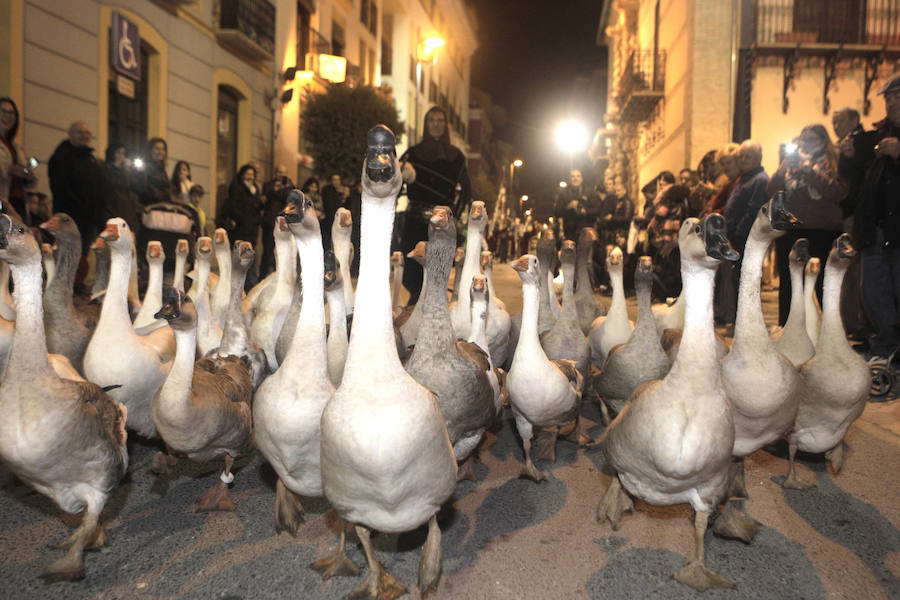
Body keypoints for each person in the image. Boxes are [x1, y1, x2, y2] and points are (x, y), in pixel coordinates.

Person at [768, 124, 847, 326]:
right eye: (802, 140)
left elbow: (837, 192)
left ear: (822, 141)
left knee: (822, 284)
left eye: (810, 140)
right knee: (790, 283)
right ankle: (787, 329)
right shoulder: (791, 165)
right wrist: (782, 170)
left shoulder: (832, 162)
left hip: (822, 231)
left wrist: (809, 170)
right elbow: (772, 192)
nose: (805, 144)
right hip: (792, 230)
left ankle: (831, 330)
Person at [846, 74, 900, 360]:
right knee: (874, 294)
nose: (891, 102)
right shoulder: (878, 135)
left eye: (898, 96)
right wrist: (849, 156)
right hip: (876, 231)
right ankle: (887, 348)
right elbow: (854, 182)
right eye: (888, 98)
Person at [398, 106, 471, 304]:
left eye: (440, 120)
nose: (436, 124)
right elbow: (395, 180)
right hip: (414, 224)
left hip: (441, 227)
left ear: (445, 125)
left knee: (438, 274)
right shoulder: (412, 153)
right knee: (412, 272)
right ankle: (414, 310)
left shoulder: (456, 157)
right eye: (432, 120)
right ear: (426, 124)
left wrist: (453, 216)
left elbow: (467, 192)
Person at [718, 140, 769, 325]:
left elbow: (754, 210)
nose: (743, 159)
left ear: (758, 158)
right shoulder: (745, 178)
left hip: (746, 239)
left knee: (746, 281)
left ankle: (748, 322)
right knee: (736, 280)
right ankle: (740, 320)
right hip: (735, 237)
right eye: (741, 156)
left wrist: (738, 234)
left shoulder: (760, 179)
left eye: (748, 156)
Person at [49, 120, 103, 289]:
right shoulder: (61, 157)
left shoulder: (90, 159)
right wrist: (81, 209)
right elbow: (61, 188)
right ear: (70, 134)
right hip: (70, 216)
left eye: (87, 133)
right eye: (80, 132)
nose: (84, 136)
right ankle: (65, 288)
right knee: (67, 255)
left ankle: (76, 286)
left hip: (88, 218)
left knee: (82, 255)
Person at [0, 97, 36, 222]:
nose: (8, 116)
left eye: (12, 113)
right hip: (3, 203)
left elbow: (24, 171)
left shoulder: (16, 145)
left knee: (20, 238)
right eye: (3, 111)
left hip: (18, 201)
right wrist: (8, 169)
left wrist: (28, 176)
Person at [101, 142, 141, 232]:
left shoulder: (127, 171)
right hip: (112, 208)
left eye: (123, 153)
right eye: (118, 153)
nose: (121, 156)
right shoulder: (106, 169)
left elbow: (135, 186)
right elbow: (114, 184)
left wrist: (136, 172)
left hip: (127, 209)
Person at [259, 175, 293, 278]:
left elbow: (287, 195)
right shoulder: (269, 194)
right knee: (268, 253)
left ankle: (277, 275)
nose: (279, 188)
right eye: (277, 185)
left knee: (280, 253)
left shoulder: (286, 195)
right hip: (270, 226)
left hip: (282, 227)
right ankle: (263, 277)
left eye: (281, 185)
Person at [554, 169, 595, 242]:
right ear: (569, 179)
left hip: (586, 231)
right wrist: (568, 207)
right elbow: (556, 212)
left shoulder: (589, 192)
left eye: (578, 176)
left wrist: (586, 212)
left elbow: (598, 210)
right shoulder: (563, 193)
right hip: (570, 232)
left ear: (581, 179)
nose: (575, 178)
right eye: (573, 176)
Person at [137, 137, 171, 207]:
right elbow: (146, 190)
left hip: (161, 206)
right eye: (157, 149)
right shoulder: (146, 167)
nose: (160, 152)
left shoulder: (162, 169)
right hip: (151, 207)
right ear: (150, 151)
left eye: (163, 149)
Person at [320, 172, 347, 251]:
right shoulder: (327, 190)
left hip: (337, 220)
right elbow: (329, 205)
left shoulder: (340, 191)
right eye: (334, 180)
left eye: (338, 180)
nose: (336, 182)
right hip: (329, 220)